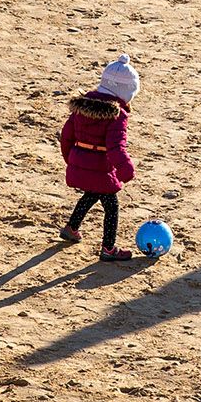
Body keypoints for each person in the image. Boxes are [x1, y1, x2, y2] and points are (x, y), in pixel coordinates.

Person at [58, 54, 140, 261]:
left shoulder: (82, 106)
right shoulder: (116, 114)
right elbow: (115, 147)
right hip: (101, 167)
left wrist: (72, 160)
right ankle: (109, 249)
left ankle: (71, 227)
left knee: (93, 193)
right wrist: (126, 170)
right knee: (111, 205)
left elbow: (66, 136)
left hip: (80, 162)